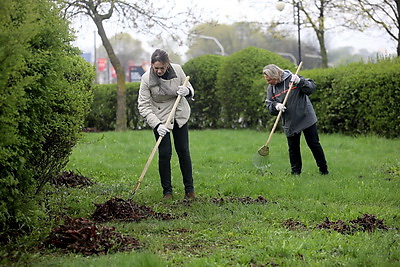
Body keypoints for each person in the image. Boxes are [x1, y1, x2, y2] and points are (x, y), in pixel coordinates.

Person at [138, 49, 196, 200]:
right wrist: (157, 125)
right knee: (164, 154)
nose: (159, 71)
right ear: (152, 65)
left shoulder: (177, 70)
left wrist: (187, 91)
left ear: (167, 65)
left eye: (162, 68)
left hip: (179, 114)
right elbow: (143, 106)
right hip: (160, 118)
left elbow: (189, 87)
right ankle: (167, 192)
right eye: (156, 68)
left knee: (183, 151)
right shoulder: (146, 79)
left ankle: (190, 191)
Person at [263, 64, 329, 175]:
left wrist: (300, 81)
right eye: (267, 80)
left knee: (313, 144)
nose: (268, 82)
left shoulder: (293, 79)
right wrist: (276, 106)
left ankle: (324, 170)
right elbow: (269, 105)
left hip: (305, 117)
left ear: (276, 75)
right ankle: (295, 173)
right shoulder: (271, 88)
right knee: (293, 148)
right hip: (289, 121)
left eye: (270, 80)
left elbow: (311, 88)